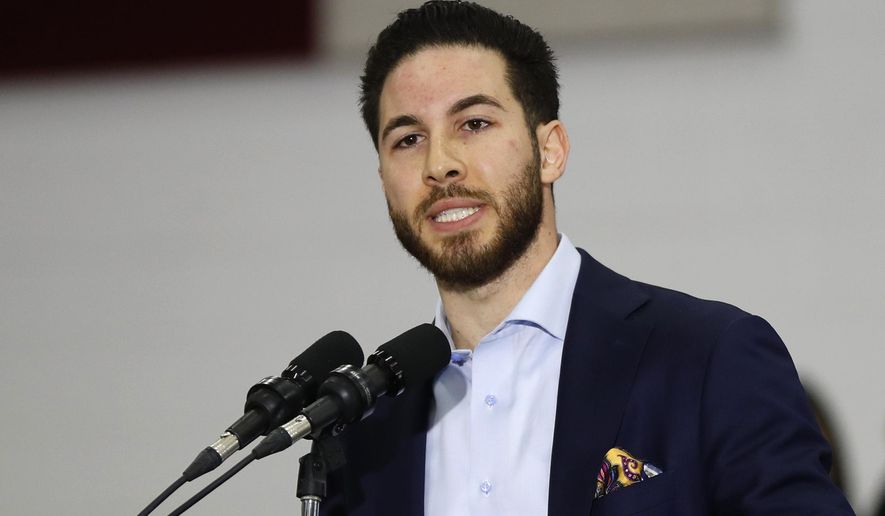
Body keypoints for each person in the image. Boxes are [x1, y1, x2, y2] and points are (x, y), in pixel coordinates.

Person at [320, 2, 855, 515]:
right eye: (408, 139)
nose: (439, 164)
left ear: (550, 151)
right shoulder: (366, 432)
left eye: (474, 124)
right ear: (384, 180)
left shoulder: (710, 358)